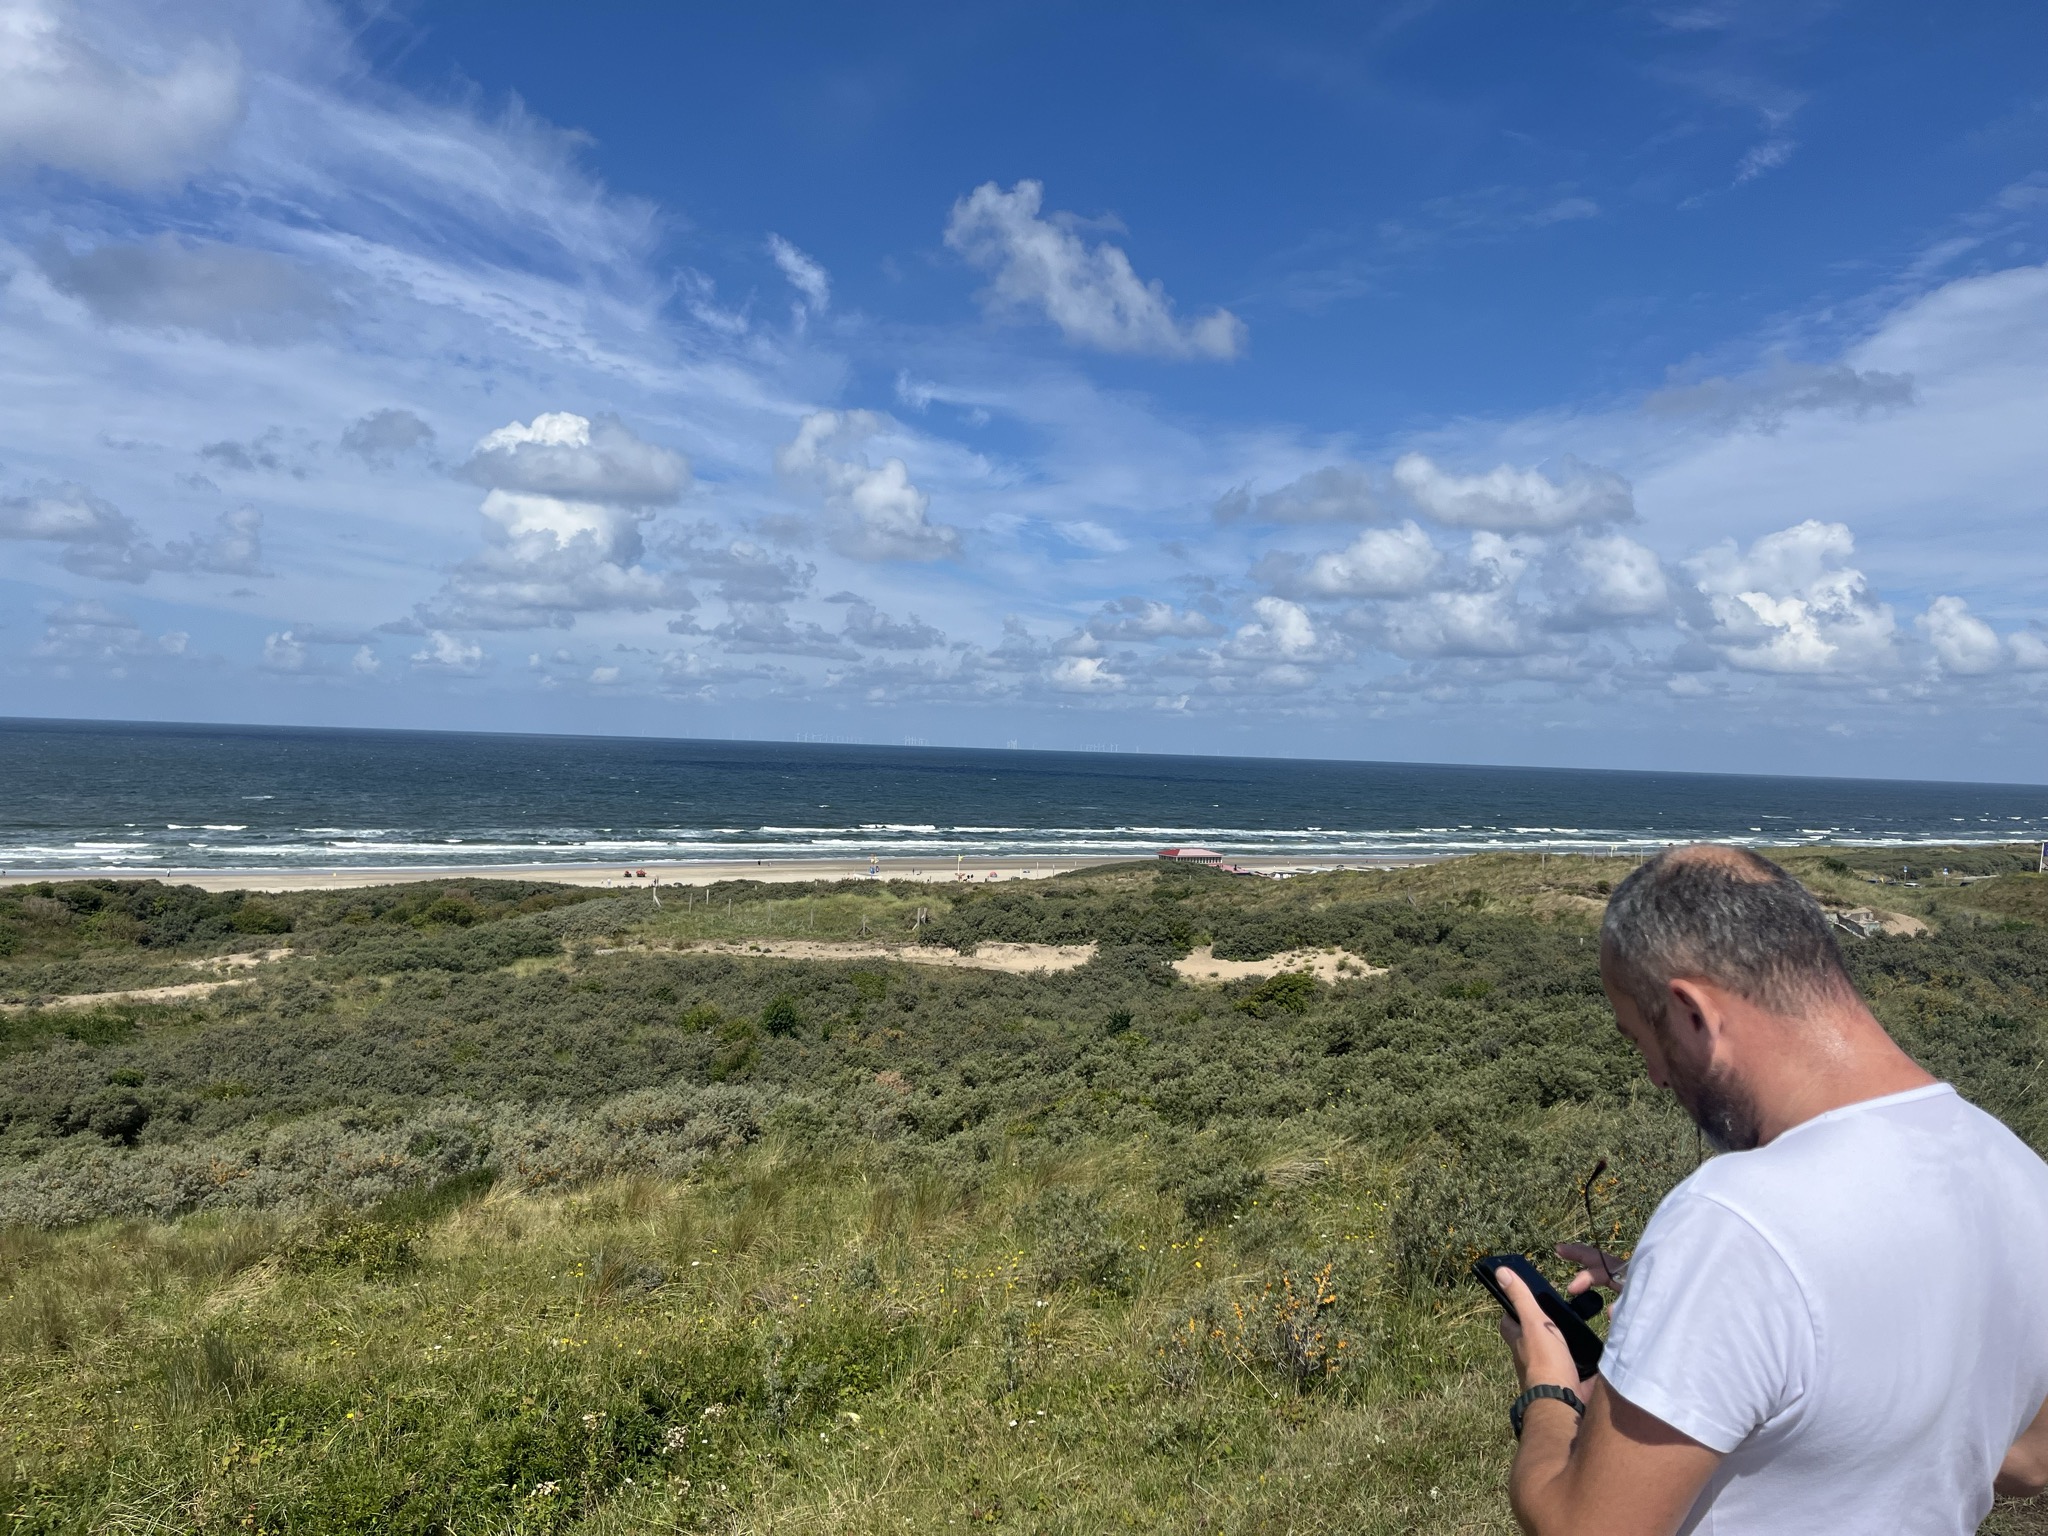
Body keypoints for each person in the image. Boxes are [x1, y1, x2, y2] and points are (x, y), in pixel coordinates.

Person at [1493, 843, 2048, 1535]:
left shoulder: (1732, 1223)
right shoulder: (2020, 1171)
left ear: (1691, 1013)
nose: (1657, 1078)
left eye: (1641, 1042)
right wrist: (1688, 1305)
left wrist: (1547, 1392)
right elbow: (2031, 1461)